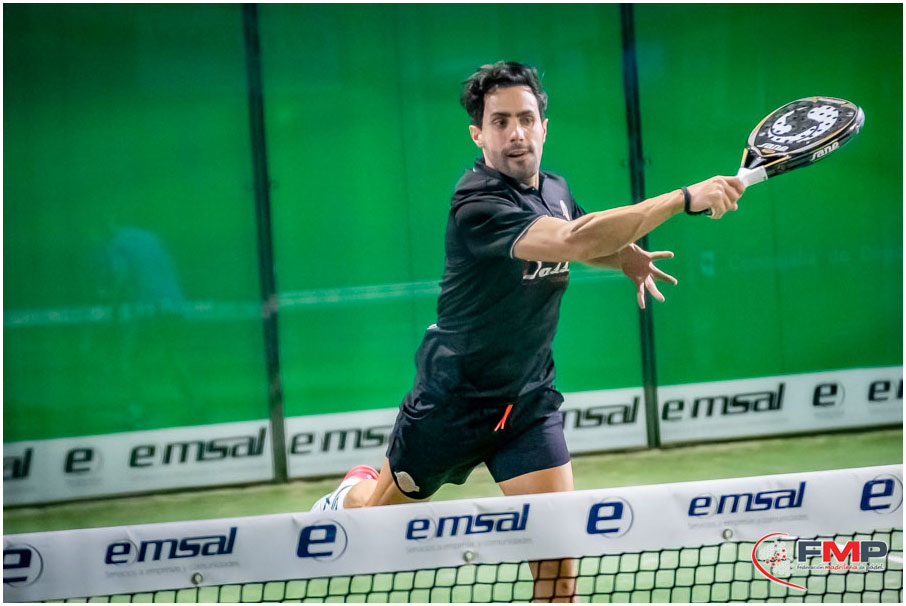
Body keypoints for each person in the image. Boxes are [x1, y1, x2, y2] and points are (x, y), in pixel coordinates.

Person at [312, 61, 743, 600]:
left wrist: (625, 257)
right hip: (452, 404)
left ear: (544, 126)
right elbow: (573, 240)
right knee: (375, 525)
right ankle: (352, 492)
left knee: (558, 571)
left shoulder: (554, 188)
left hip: (528, 404)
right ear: (478, 133)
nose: (515, 132)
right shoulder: (478, 203)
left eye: (526, 118)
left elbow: (587, 238)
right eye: (500, 122)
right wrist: (682, 199)